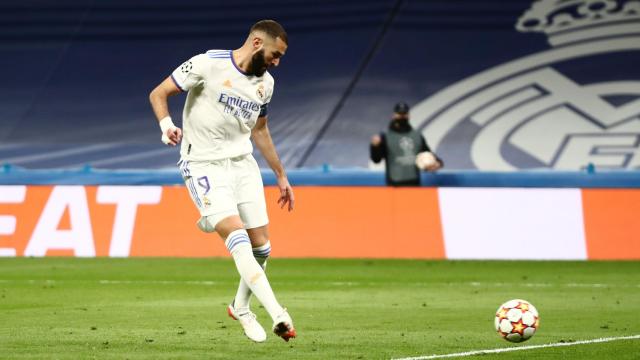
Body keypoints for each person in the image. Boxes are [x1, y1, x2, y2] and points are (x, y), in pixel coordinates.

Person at [148, 20, 295, 343]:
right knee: (238, 238)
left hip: (242, 165)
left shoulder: (265, 85)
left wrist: (280, 175)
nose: (277, 62)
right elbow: (159, 93)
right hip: (203, 165)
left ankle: (240, 306)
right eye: (275, 54)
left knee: (263, 248)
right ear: (257, 43)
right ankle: (278, 313)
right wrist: (166, 125)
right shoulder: (207, 64)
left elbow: (260, 130)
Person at [370, 102, 443, 186]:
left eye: (404, 114)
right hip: (394, 185)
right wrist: (375, 147)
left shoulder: (416, 135)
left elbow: (427, 154)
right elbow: (376, 160)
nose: (402, 116)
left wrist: (437, 163)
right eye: (399, 114)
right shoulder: (385, 137)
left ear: (408, 115)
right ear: (394, 115)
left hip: (414, 184)